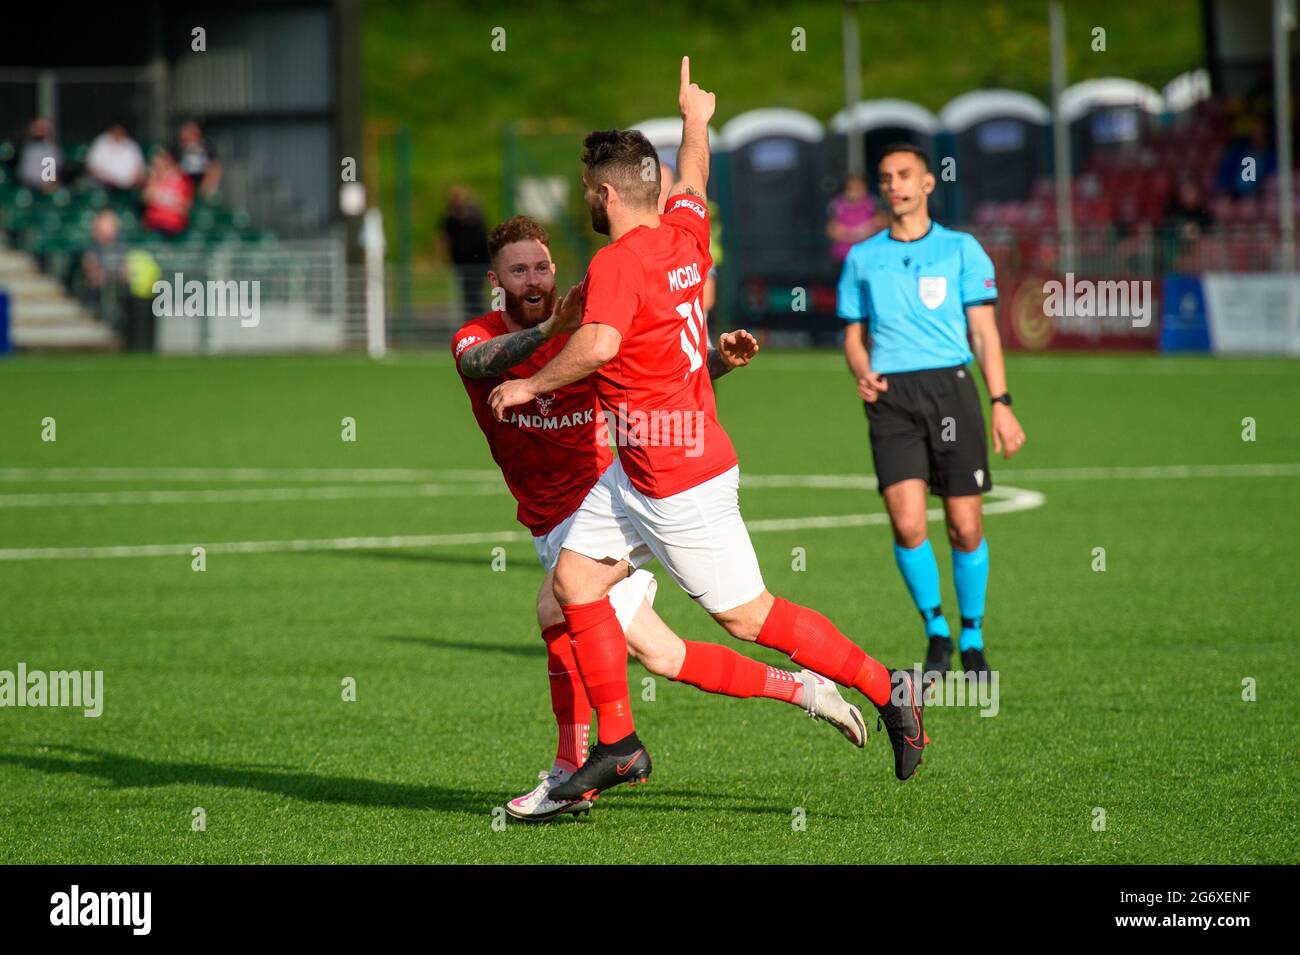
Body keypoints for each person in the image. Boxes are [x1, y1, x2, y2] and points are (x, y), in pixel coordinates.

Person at [489, 58, 926, 804]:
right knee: (573, 578)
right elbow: (693, 181)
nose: (586, 200)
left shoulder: (619, 262)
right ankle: (619, 745)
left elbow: (595, 347)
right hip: (642, 467)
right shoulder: (684, 232)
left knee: (749, 616)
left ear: (603, 193)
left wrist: (526, 382)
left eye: (587, 190)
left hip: (676, 477)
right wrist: (696, 118)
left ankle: (888, 690)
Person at [454, 215, 865, 821]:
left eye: (542, 266)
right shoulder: (480, 335)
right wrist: (551, 327)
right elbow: (483, 362)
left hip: (605, 504)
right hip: (548, 523)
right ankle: (807, 690)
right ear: (496, 280)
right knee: (664, 657)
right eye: (519, 270)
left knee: (555, 609)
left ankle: (573, 773)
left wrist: (715, 365)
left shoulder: (586, 334)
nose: (535, 278)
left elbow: (651, 382)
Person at [837, 143, 1027, 686]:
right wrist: (861, 369)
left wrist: (1001, 404)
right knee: (908, 522)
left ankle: (972, 634)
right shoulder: (862, 257)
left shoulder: (963, 250)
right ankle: (937, 628)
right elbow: (853, 336)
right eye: (885, 177)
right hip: (892, 397)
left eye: (904, 175)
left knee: (965, 528)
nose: (894, 184)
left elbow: (986, 334)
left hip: (953, 389)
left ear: (927, 184)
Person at [440, 185, 490, 319]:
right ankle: (473, 320)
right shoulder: (450, 219)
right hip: (462, 262)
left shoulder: (475, 216)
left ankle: (479, 319)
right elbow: (445, 239)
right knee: (469, 294)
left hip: (480, 261)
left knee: (475, 292)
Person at [827, 173, 879, 262]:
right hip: (843, 255)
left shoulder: (871, 203)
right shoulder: (838, 205)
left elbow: (880, 224)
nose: (855, 192)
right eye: (851, 189)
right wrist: (854, 234)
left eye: (859, 188)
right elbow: (831, 229)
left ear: (865, 188)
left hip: (866, 254)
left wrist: (866, 230)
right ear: (845, 190)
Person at [141, 149, 194, 236]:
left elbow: (184, 208)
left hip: (175, 229)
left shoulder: (184, 180)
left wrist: (159, 198)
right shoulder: (154, 178)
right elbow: (147, 198)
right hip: (153, 226)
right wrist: (172, 201)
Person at [86, 123, 146, 194]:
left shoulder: (132, 146)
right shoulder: (101, 143)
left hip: (127, 188)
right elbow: (91, 168)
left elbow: (139, 171)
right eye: (116, 130)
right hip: (102, 186)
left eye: (120, 130)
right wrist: (106, 179)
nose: (118, 132)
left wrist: (135, 181)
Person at [174, 120, 222, 198]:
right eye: (187, 129)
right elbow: (173, 166)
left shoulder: (206, 146)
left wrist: (209, 183)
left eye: (192, 130)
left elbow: (215, 166)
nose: (188, 133)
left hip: (203, 182)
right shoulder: (177, 148)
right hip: (183, 183)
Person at [16, 117, 62, 192]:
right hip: (26, 186)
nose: (40, 131)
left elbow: (54, 174)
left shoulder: (52, 150)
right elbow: (24, 174)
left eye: (43, 128)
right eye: (37, 128)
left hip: (47, 187)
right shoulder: (24, 147)